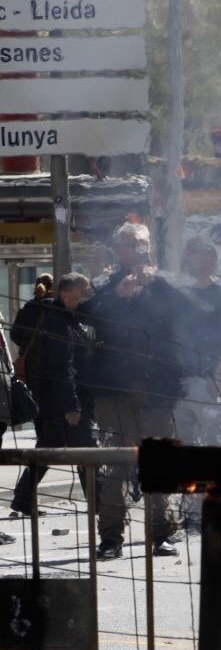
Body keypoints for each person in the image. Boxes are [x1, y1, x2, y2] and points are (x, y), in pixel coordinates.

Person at [82, 220, 186, 560]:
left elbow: (190, 320)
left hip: (156, 390)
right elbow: (87, 317)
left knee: (159, 463)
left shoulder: (166, 284)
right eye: (129, 243)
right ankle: (111, 537)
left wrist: (158, 285)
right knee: (115, 465)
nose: (137, 249)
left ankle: (163, 534)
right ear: (117, 249)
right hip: (114, 388)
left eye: (141, 242)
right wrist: (118, 296)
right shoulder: (103, 284)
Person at [9, 272, 94, 518]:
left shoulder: (49, 313)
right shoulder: (59, 321)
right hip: (59, 400)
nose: (86, 296)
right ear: (67, 293)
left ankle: (23, 499)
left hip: (45, 396)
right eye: (82, 291)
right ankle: (99, 505)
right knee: (86, 449)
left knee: (49, 447)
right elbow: (62, 367)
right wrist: (73, 406)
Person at [175, 237, 221, 452]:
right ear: (189, 259)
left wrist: (220, 375)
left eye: (209, 257)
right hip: (179, 380)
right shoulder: (178, 292)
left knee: (214, 442)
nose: (204, 262)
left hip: (209, 380)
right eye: (199, 256)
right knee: (184, 443)